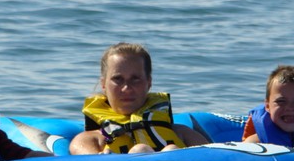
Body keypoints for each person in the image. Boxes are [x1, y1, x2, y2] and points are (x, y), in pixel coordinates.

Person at [69, 42, 208, 155]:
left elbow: (215, 159)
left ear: (149, 83)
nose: (127, 88)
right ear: (103, 84)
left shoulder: (182, 134)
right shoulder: (88, 141)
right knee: (140, 150)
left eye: (135, 79)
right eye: (118, 79)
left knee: (171, 150)